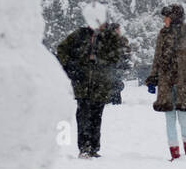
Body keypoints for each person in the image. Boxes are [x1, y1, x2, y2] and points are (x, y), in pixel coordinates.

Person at [55, 20, 130, 158]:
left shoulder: (108, 37)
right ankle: (84, 147)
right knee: (84, 116)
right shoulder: (79, 34)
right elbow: (62, 50)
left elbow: (121, 52)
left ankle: (94, 148)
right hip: (82, 84)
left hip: (101, 84)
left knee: (96, 117)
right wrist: (70, 68)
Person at [145, 4, 186, 160]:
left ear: (173, 18)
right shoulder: (162, 36)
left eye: (166, 17)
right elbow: (157, 59)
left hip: (183, 84)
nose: (164, 20)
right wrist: (153, 79)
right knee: (169, 119)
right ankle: (175, 153)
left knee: (184, 118)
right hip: (166, 84)